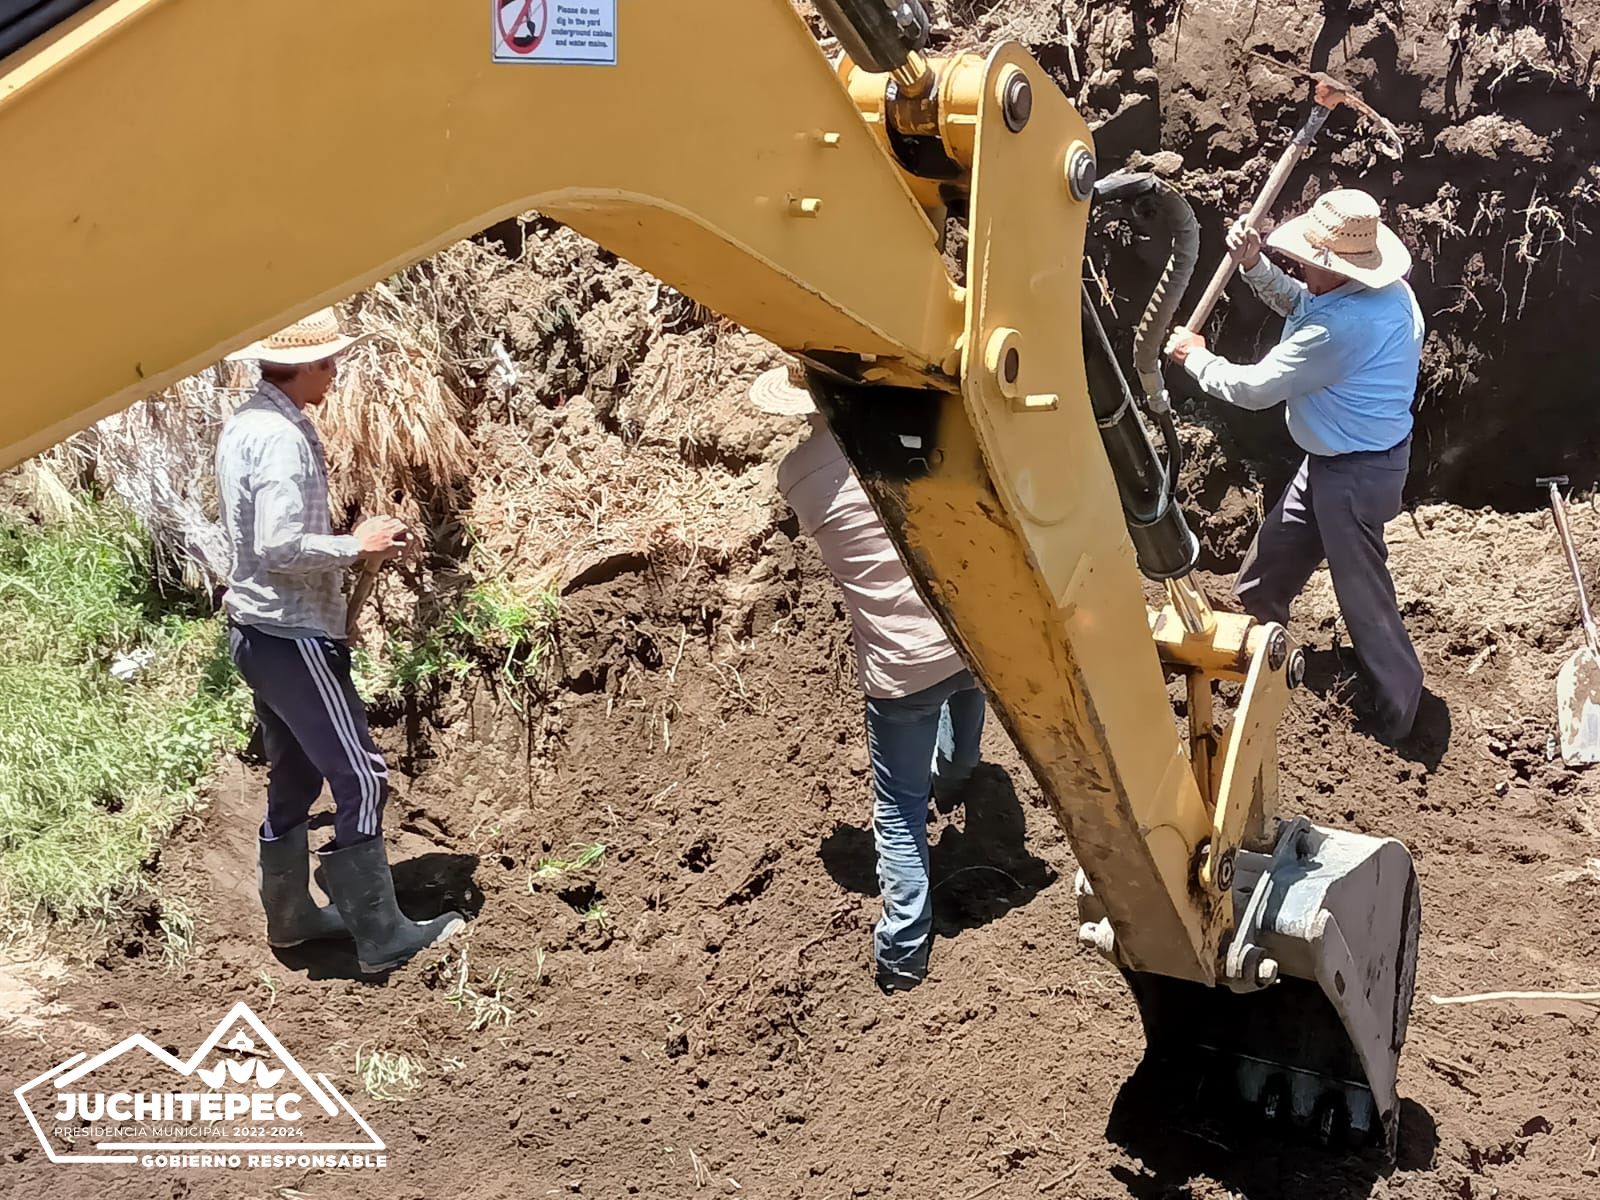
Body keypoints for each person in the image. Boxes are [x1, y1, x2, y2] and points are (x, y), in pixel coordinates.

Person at [217, 307, 464, 972]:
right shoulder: (280, 440)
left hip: (255, 629)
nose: (335, 372)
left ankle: (293, 920)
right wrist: (358, 545)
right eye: (328, 363)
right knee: (361, 775)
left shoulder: (248, 422)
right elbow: (277, 545)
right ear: (298, 367)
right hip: (292, 633)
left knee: (294, 773)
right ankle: (381, 935)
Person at [753, 362, 985, 993]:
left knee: (900, 810)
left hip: (897, 668)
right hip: (972, 636)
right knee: (966, 691)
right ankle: (961, 775)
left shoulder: (797, 474)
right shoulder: (915, 437)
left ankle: (904, 956)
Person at [1165, 189, 1426, 741]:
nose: (1301, 266)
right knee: (1267, 570)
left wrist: (1195, 357)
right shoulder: (1380, 295)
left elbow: (1254, 387)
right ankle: (1261, 640)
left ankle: (1400, 708)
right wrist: (1255, 264)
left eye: (1310, 261)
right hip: (1336, 460)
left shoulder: (1343, 329)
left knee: (1361, 592)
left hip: (1356, 472)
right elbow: (1304, 303)